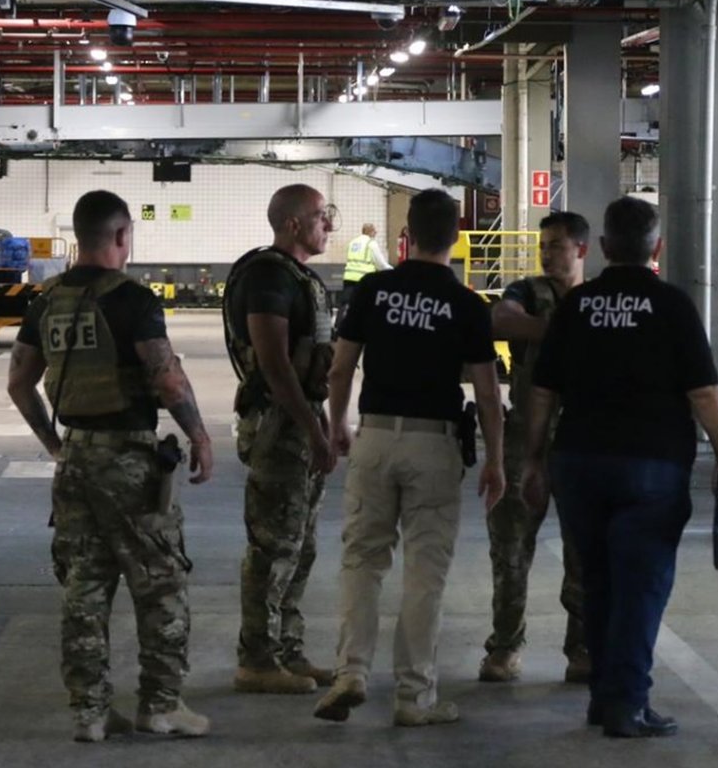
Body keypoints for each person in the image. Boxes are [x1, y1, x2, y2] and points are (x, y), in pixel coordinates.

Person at [522, 196, 718, 739]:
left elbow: (543, 392)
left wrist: (533, 460)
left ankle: (604, 696)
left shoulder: (576, 306)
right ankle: (628, 703)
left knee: (597, 583)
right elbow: (704, 392)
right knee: (641, 586)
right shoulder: (671, 306)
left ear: (601, 249)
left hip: (579, 463)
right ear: (657, 249)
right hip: (652, 466)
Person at [6, 189, 213, 742]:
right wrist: (199, 434)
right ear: (122, 236)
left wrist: (55, 443)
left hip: (74, 457)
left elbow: (19, 383)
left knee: (85, 587)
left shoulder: (45, 300)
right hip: (128, 459)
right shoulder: (133, 300)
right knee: (161, 583)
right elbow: (166, 377)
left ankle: (90, 713)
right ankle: (161, 706)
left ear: (79, 236)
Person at [314, 188, 505, 728]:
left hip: (375, 436)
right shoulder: (468, 304)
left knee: (362, 560)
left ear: (408, 237)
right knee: (425, 572)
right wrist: (496, 460)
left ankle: (350, 671)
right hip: (434, 442)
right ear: (457, 236)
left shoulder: (374, 290)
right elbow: (488, 394)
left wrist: (337, 425)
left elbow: (340, 368)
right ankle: (413, 697)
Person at [224, 184, 339, 695]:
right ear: (294, 223)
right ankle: (257, 658)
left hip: (301, 421)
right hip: (279, 427)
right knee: (273, 547)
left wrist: (327, 422)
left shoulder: (297, 277)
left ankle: (286, 650)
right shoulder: (269, 275)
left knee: (300, 547)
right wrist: (315, 430)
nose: (329, 225)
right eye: (321, 216)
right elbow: (273, 362)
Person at [480, 211, 591, 684]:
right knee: (510, 550)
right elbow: (501, 321)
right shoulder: (526, 291)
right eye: (543, 245)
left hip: (582, 441)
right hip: (525, 435)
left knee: (583, 551)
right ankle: (505, 646)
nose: (547, 253)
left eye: (557, 246)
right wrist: (568, 334)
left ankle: (582, 648)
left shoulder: (595, 298)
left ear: (581, 250)